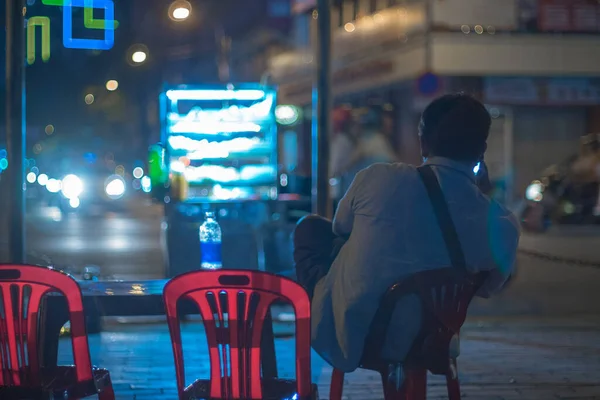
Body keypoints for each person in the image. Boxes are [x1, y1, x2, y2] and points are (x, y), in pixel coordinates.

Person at [293, 93, 520, 372]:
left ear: (423, 141)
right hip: (435, 340)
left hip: (357, 337)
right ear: (482, 148)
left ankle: (316, 316)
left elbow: (341, 228)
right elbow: (489, 286)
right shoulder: (502, 222)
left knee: (311, 228)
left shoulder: (377, 178)